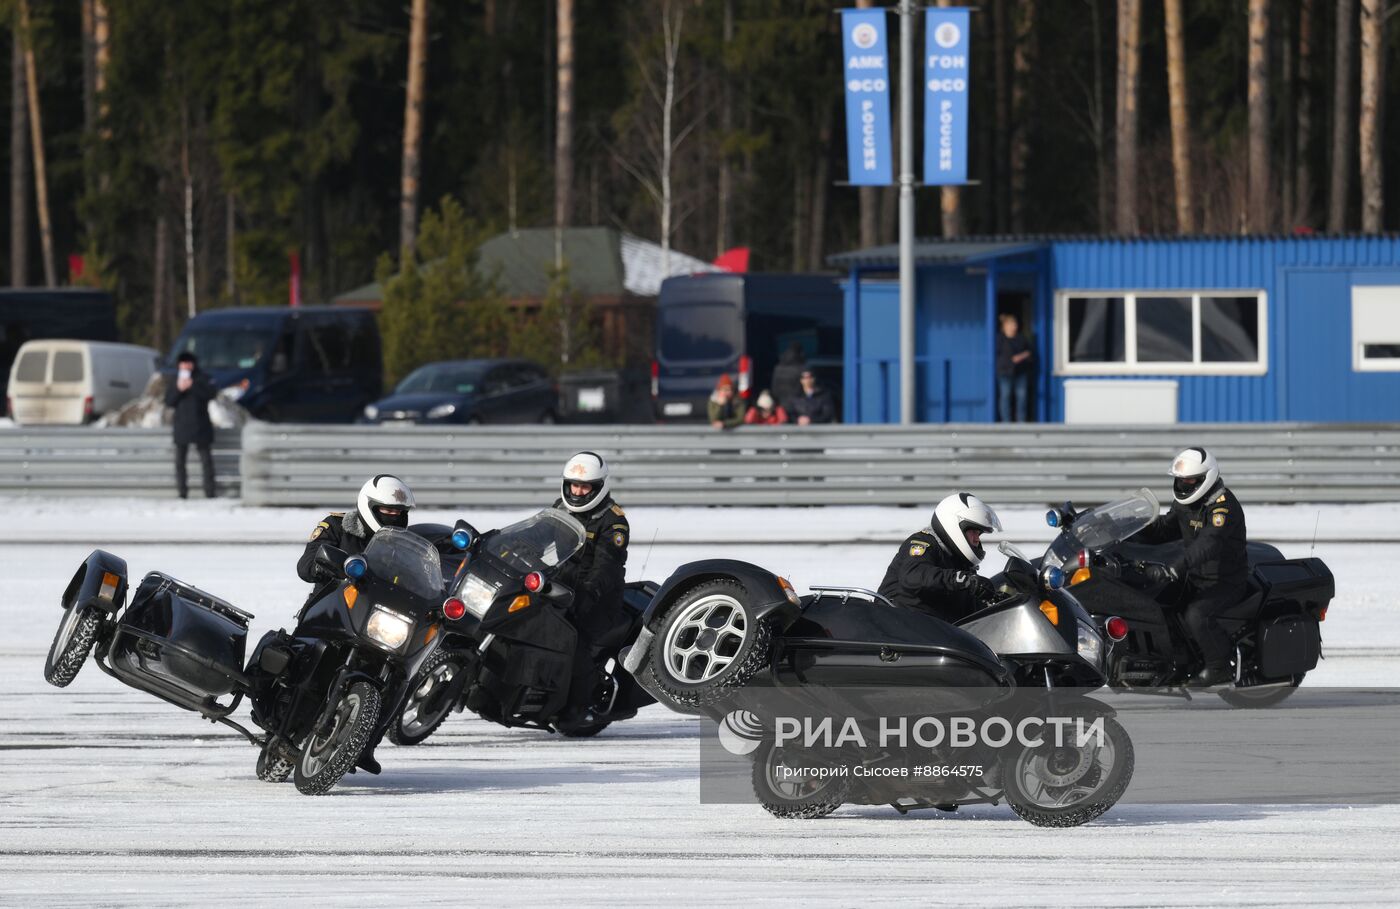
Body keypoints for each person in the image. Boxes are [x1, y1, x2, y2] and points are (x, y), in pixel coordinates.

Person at [294, 474, 416, 774]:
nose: (393, 517)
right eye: (386, 511)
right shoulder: (337, 525)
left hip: (374, 625)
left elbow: (420, 578)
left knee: (400, 674)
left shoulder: (406, 546)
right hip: (330, 613)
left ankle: (366, 745)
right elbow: (305, 565)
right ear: (368, 506)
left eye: (399, 513)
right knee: (304, 655)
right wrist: (327, 565)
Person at [1133, 448, 1248, 687]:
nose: (1183, 485)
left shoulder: (1223, 508)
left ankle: (1219, 668)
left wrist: (1176, 567)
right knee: (1155, 603)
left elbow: (1209, 543)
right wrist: (1129, 526)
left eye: (1189, 480)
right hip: (1195, 576)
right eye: (1180, 480)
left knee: (1197, 615)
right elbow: (1164, 529)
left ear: (1207, 478)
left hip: (1224, 581)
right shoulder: (1187, 504)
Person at [552, 452, 630, 722]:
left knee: (574, 642)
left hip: (597, 599)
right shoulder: (560, 509)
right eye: (574, 485)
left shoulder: (613, 521)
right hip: (559, 589)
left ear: (599, 487)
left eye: (585, 486)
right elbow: (535, 539)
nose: (578, 491)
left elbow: (605, 567)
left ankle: (577, 707)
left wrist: (587, 595)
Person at [878, 493, 1002, 623]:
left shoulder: (958, 561)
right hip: (895, 624)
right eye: (973, 532)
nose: (977, 539)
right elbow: (913, 576)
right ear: (955, 525)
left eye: (979, 534)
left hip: (931, 631)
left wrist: (994, 602)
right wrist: (963, 580)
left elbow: (968, 611)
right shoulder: (922, 543)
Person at [165, 352, 217, 499]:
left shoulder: (202, 378)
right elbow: (169, 401)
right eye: (183, 363)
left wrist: (192, 386)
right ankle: (182, 493)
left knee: (206, 461)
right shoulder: (175, 379)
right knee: (180, 462)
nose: (186, 366)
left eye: (189, 363)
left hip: (201, 424)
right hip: (181, 425)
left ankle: (210, 492)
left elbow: (211, 394)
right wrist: (178, 389)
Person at [995, 313, 1033, 423]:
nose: (1014, 326)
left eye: (1015, 324)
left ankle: (1021, 421)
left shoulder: (1021, 338)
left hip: (1020, 372)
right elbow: (998, 356)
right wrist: (1010, 360)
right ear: (1005, 326)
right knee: (1005, 396)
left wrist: (1022, 356)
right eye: (1011, 324)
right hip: (1004, 372)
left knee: (1022, 396)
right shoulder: (999, 339)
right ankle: (1006, 422)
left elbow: (1030, 352)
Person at [769, 341, 806, 410]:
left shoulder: (778, 367)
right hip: (796, 401)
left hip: (779, 400)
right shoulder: (800, 368)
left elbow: (774, 386)